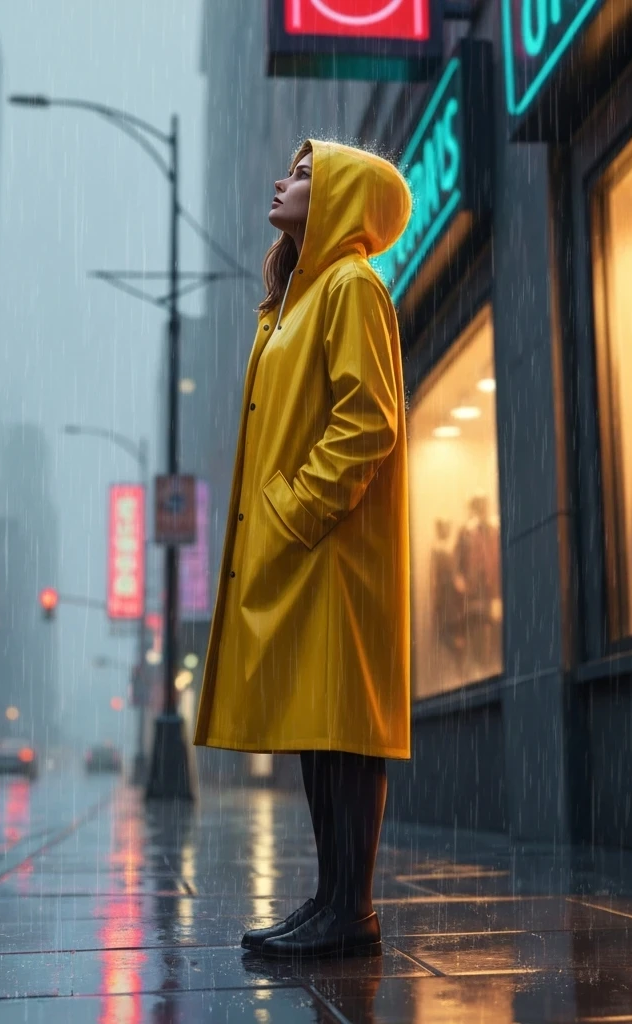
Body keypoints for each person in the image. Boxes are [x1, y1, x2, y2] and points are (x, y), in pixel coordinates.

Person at [192, 139, 412, 959]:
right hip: (312, 547)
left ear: (344, 198)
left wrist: (295, 510)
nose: (283, 180)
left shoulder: (351, 287)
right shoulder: (300, 298)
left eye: (305, 174)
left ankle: (350, 910)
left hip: (334, 548)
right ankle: (332, 900)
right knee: (320, 726)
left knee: (344, 727)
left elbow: (368, 420)